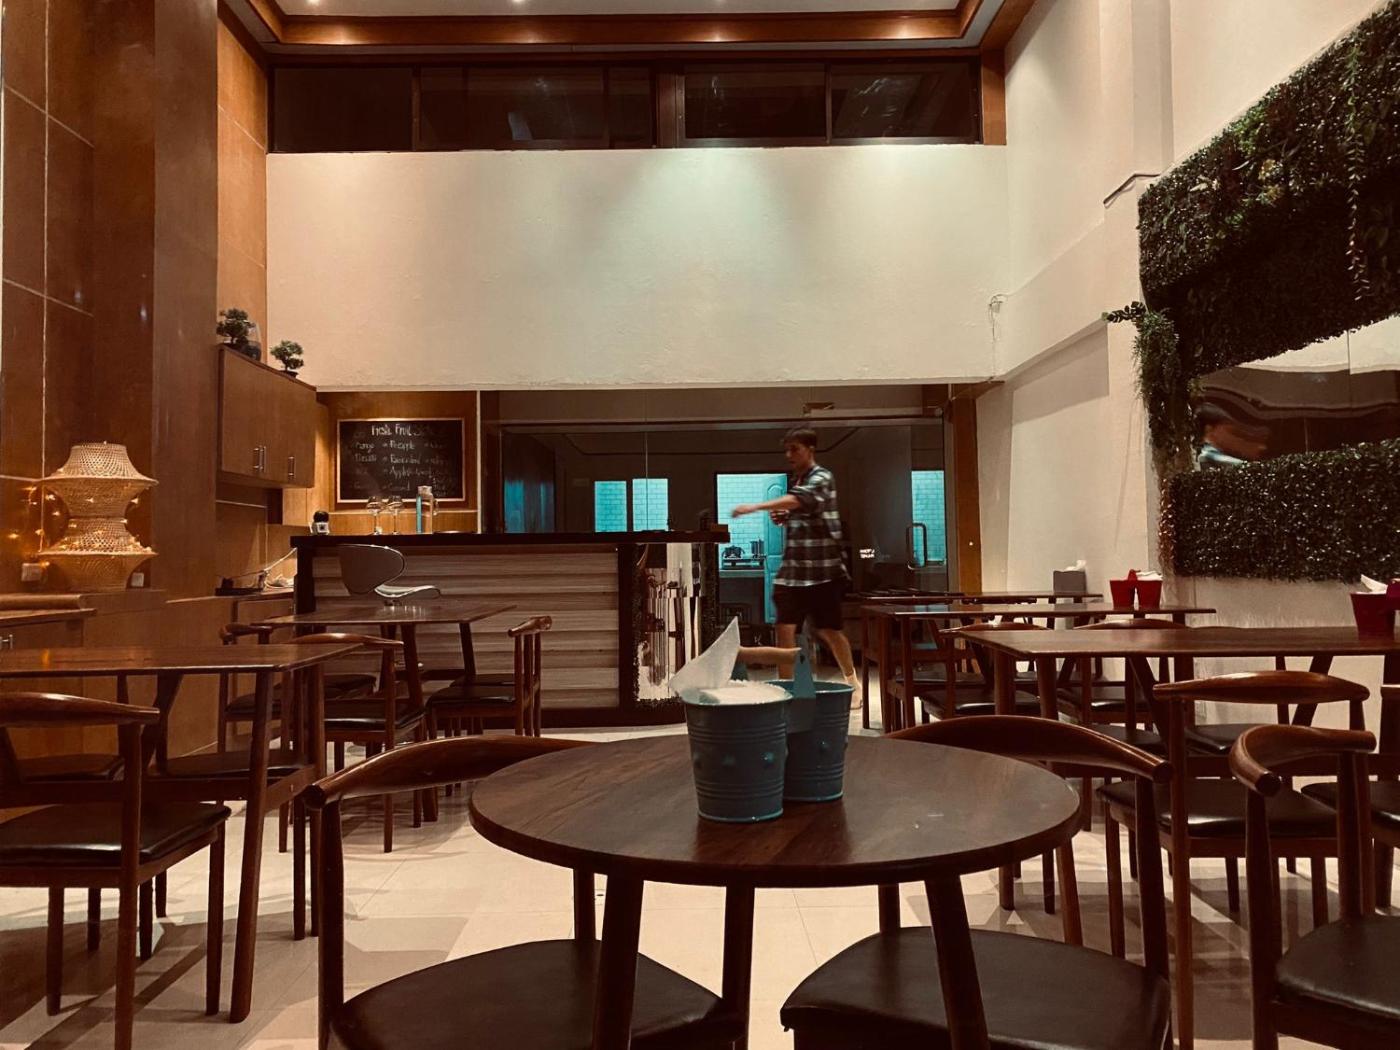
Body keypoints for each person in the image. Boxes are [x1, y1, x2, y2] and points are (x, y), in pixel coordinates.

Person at [731, 426, 860, 704]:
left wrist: (755, 507)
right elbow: (800, 511)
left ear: (810, 450)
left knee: (829, 630)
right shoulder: (798, 480)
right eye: (787, 450)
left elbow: (799, 500)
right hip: (793, 573)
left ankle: (853, 683)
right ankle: (786, 690)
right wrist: (784, 517)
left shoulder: (822, 477)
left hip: (822, 572)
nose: (789, 455)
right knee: (784, 629)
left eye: (795, 449)